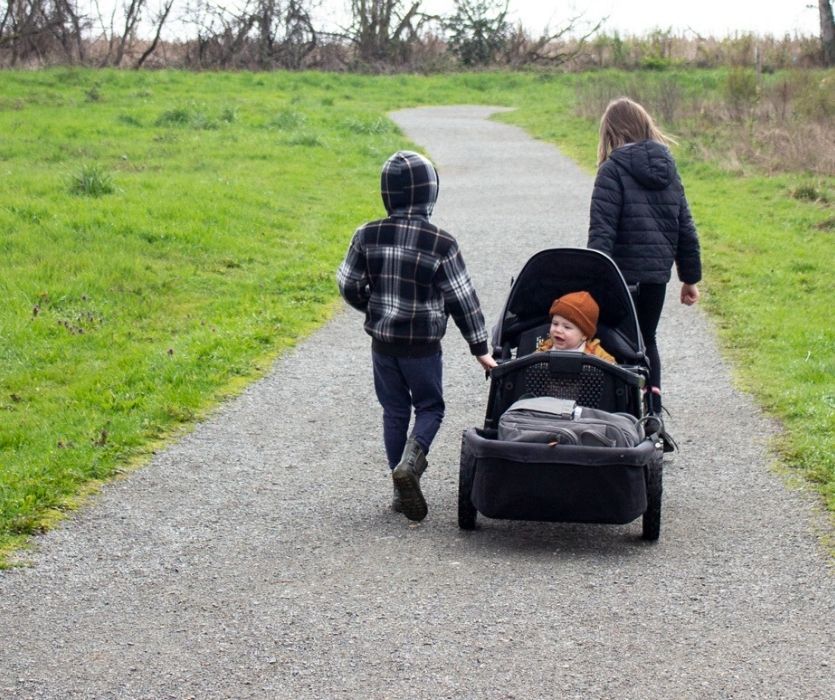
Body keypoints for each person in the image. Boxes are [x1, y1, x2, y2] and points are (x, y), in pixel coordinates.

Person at [337, 150, 496, 522]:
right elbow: (463, 299)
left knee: (394, 410)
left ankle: (399, 487)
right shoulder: (441, 243)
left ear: (386, 195)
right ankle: (412, 462)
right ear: (431, 195)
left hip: (383, 345)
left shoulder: (367, 234)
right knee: (430, 407)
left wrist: (372, 307)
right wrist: (480, 348)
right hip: (423, 348)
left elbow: (347, 283)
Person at [588, 97, 701, 416]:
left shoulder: (612, 170)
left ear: (611, 132)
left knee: (613, 338)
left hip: (620, 276)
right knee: (646, 338)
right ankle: (652, 412)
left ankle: (620, 413)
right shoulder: (669, 170)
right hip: (655, 278)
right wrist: (689, 279)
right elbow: (685, 227)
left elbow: (602, 232)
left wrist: (593, 277)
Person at [536, 291, 615, 364]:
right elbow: (530, 364)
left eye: (567, 327)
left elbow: (612, 367)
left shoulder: (594, 351)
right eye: (555, 324)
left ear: (584, 335)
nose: (558, 330)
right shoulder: (546, 347)